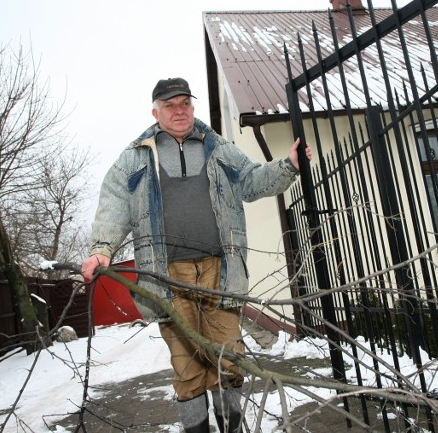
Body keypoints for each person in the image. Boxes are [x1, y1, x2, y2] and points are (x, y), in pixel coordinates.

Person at [81, 77, 312, 433]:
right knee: (187, 368)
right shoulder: (134, 157)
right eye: (170, 105)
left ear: (192, 106)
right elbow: (114, 207)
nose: (179, 111)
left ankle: (232, 427)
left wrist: (289, 165)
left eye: (185, 103)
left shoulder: (218, 147)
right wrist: (101, 250)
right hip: (167, 277)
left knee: (228, 359)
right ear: (155, 111)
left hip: (220, 270)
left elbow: (251, 181)